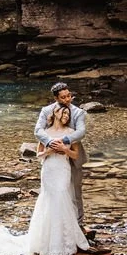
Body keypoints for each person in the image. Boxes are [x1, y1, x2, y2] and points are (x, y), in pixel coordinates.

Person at [0, 101, 90, 255]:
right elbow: (39, 155)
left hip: (63, 169)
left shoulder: (71, 132)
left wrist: (65, 149)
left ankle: (65, 241)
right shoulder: (45, 133)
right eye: (63, 113)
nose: (66, 116)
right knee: (48, 200)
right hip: (49, 170)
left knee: (62, 199)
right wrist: (49, 150)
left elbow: (75, 155)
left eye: (68, 114)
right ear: (55, 114)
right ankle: (46, 242)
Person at [34, 82, 87, 225]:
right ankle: (54, 224)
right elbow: (38, 131)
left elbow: (81, 132)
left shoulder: (78, 112)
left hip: (72, 153)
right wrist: (51, 143)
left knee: (75, 191)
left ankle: (78, 224)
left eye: (69, 95)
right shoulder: (46, 111)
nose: (68, 99)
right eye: (63, 97)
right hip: (53, 157)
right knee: (53, 190)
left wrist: (63, 141)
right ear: (56, 98)